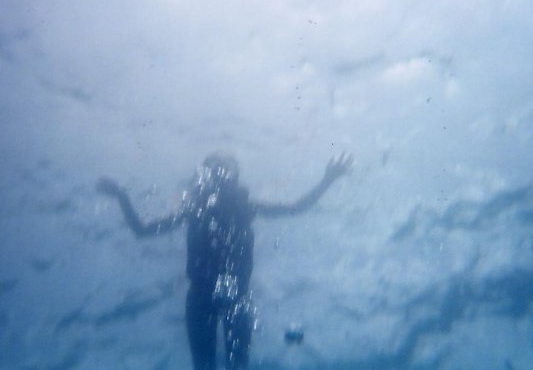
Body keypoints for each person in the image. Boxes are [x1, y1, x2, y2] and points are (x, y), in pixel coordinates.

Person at [96, 152, 353, 370]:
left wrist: (328, 179)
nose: (220, 180)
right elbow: (142, 231)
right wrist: (121, 196)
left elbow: (296, 207)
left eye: (224, 172)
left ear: (233, 179)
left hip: (230, 297)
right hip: (205, 297)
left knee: (232, 365)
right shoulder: (196, 209)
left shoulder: (241, 206)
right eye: (215, 173)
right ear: (205, 180)